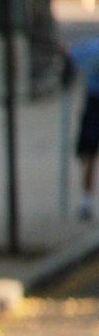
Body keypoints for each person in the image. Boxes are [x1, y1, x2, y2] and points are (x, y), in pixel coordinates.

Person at [69, 37, 99, 222]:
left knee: (89, 155)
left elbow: (68, 54)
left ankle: (86, 202)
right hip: (93, 104)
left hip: (93, 104)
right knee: (89, 155)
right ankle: (86, 202)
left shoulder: (90, 48)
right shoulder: (91, 47)